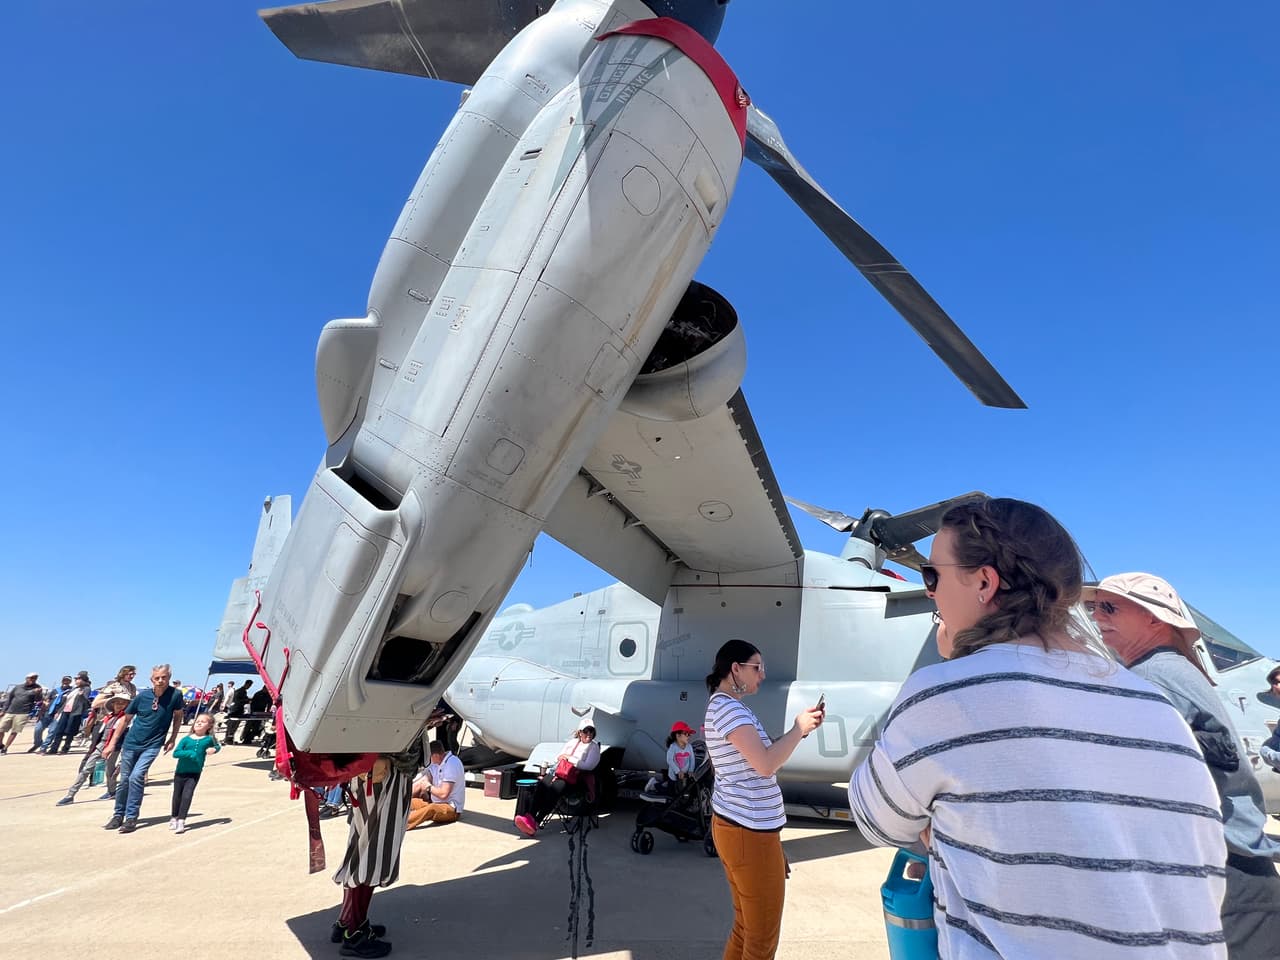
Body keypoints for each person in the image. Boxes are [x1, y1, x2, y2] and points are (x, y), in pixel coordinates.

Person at [847, 498, 1227, 959]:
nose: (929, 592)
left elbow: (876, 820)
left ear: (984, 582)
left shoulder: (943, 694)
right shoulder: (1156, 706)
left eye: (933, 576)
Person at [1087, 572, 1280, 958]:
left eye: (1109, 607)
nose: (1096, 617)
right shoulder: (1171, 671)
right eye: (1094, 608)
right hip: (1238, 873)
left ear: (1155, 619)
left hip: (1223, 876)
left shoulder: (1149, 680)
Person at [704, 640, 824, 960]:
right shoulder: (727, 708)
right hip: (748, 832)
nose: (763, 675)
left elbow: (762, 761)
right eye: (757, 667)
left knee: (746, 929)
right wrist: (798, 729)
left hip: (749, 830)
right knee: (761, 940)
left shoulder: (726, 706)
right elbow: (766, 764)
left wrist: (772, 843)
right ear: (735, 669)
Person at [331, 746, 418, 957]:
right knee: (373, 854)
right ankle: (356, 932)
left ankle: (347, 921)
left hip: (369, 769)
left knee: (361, 849)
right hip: (385, 771)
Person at [104, 663, 186, 834]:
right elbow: (125, 720)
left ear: (169, 677)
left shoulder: (175, 695)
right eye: (157, 678)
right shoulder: (142, 697)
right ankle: (118, 815)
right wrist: (112, 744)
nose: (161, 681)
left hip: (153, 744)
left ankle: (131, 817)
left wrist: (172, 737)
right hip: (131, 743)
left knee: (136, 776)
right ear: (152, 679)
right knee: (124, 780)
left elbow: (178, 716)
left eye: (164, 677)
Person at [513, 725, 601, 836]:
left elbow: (589, 766)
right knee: (542, 784)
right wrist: (562, 757)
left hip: (577, 779)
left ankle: (536, 822)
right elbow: (557, 758)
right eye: (586, 731)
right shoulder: (572, 743)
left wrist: (570, 758)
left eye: (591, 731)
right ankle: (530, 817)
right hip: (561, 773)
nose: (589, 734)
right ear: (580, 732)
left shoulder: (593, 747)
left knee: (556, 788)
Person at [57, 693, 131, 805]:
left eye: (123, 703)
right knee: (87, 768)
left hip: (115, 748)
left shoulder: (126, 719)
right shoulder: (109, 717)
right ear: (113, 704)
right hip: (101, 745)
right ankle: (71, 794)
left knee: (110, 771)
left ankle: (111, 791)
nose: (120, 705)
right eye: (117, 702)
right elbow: (96, 705)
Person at [170, 712, 221, 834]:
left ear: (209, 726)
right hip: (180, 772)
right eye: (197, 721)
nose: (198, 723)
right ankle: (174, 817)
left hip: (194, 773)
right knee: (177, 796)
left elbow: (218, 746)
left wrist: (214, 749)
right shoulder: (186, 739)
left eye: (203, 722)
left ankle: (182, 820)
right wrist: (189, 753)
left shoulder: (208, 739)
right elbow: (176, 753)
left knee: (187, 795)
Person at [407, 739, 465, 828]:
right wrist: (424, 783)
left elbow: (443, 794)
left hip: (451, 808)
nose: (429, 759)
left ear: (436, 755)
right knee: (409, 803)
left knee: (430, 809)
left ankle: (403, 825)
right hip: (435, 801)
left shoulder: (452, 764)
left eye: (430, 757)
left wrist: (429, 787)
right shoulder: (436, 763)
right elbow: (427, 776)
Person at [643, 720, 699, 801]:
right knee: (671, 792)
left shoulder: (689, 747)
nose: (688, 736)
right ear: (678, 735)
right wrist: (678, 771)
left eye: (689, 734)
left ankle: (665, 784)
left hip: (684, 775)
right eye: (686, 734)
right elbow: (670, 760)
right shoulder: (673, 747)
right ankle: (654, 785)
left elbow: (692, 759)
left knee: (680, 790)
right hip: (673, 775)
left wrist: (690, 770)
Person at [44, 671, 91, 754]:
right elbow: (66, 701)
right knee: (59, 730)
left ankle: (65, 748)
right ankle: (54, 748)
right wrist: (59, 711)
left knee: (70, 731)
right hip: (65, 711)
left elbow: (86, 702)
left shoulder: (86, 688)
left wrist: (81, 696)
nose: (76, 681)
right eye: (76, 679)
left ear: (83, 680)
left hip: (76, 712)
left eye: (78, 679)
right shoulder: (74, 689)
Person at [0, 673, 43, 754]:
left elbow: (38, 700)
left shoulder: (37, 688)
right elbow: (9, 699)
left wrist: (37, 693)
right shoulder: (18, 687)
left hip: (23, 713)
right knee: (1, 729)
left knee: (14, 731)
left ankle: (5, 748)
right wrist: (3, 711)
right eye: (31, 678)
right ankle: (1, 744)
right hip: (10, 711)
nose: (33, 680)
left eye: (35, 678)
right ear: (26, 678)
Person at [29, 676, 70, 753]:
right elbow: (47, 700)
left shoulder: (70, 691)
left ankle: (44, 747)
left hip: (58, 714)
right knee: (38, 729)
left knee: (52, 731)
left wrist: (59, 712)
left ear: (70, 682)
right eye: (64, 680)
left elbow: (67, 703)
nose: (65, 682)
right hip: (47, 713)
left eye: (67, 681)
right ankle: (38, 743)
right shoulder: (55, 690)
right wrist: (41, 712)